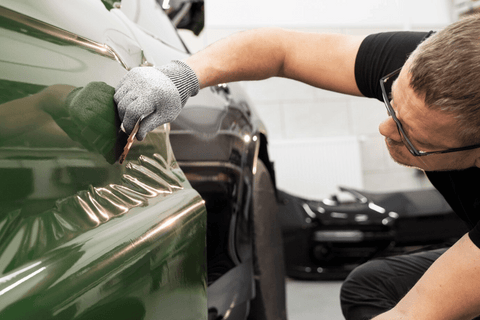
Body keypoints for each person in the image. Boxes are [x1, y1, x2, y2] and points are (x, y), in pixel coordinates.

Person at [114, 14, 480, 320]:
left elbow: (408, 315)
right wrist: (181, 76)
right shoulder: (439, 64)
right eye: (391, 102)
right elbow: (281, 50)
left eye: (409, 134)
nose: (385, 129)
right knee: (371, 287)